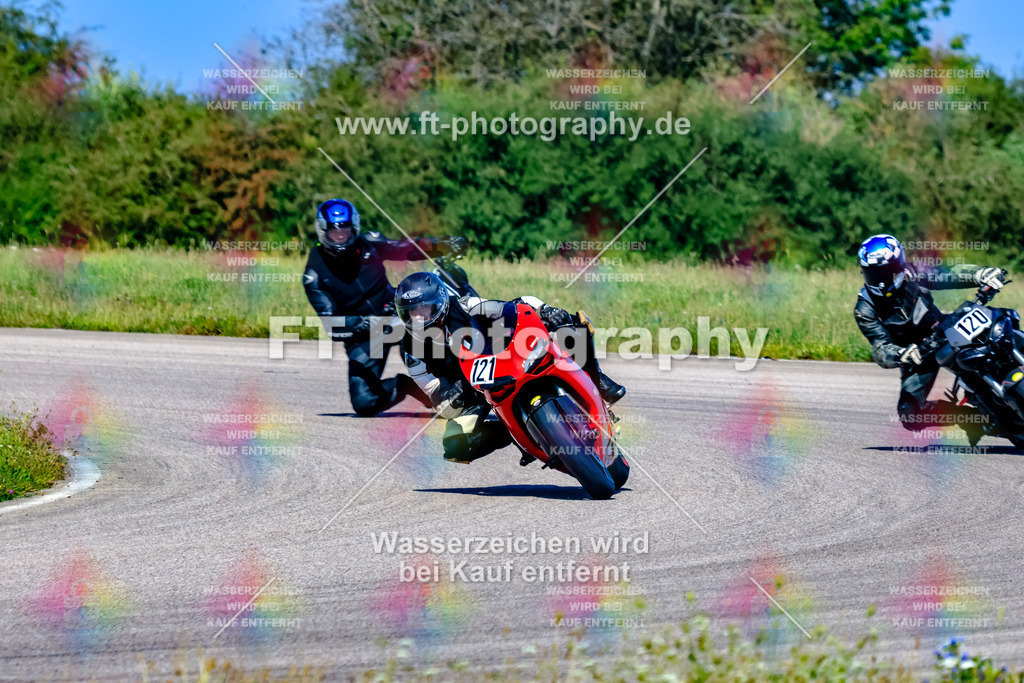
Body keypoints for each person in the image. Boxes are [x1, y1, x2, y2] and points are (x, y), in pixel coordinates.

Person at [392, 271, 626, 464]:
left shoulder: (464, 306)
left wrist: (545, 310)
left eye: (424, 309)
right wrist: (451, 399)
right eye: (411, 313)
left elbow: (515, 306)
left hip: (502, 357)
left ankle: (597, 381)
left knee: (571, 326)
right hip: (473, 393)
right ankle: (519, 433)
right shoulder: (412, 351)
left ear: (441, 302)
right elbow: (435, 395)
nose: (419, 318)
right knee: (454, 446)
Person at [303, 198, 466, 416]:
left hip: (396, 312)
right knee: (364, 402)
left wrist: (439, 244)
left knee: (427, 329)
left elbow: (405, 248)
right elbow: (333, 326)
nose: (341, 237)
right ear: (323, 232)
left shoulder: (369, 242)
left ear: (355, 229)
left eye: (346, 231)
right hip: (364, 335)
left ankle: (454, 387)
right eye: (335, 233)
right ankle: (409, 386)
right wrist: (371, 324)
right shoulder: (313, 275)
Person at [853, 234, 1007, 442]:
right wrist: (901, 354)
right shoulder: (865, 309)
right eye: (872, 273)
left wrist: (981, 274)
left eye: (884, 271)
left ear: (898, 265)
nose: (879, 280)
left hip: (943, 329)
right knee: (910, 414)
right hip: (915, 354)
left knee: (999, 325)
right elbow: (880, 348)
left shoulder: (915, 273)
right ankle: (973, 419)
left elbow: (951, 273)